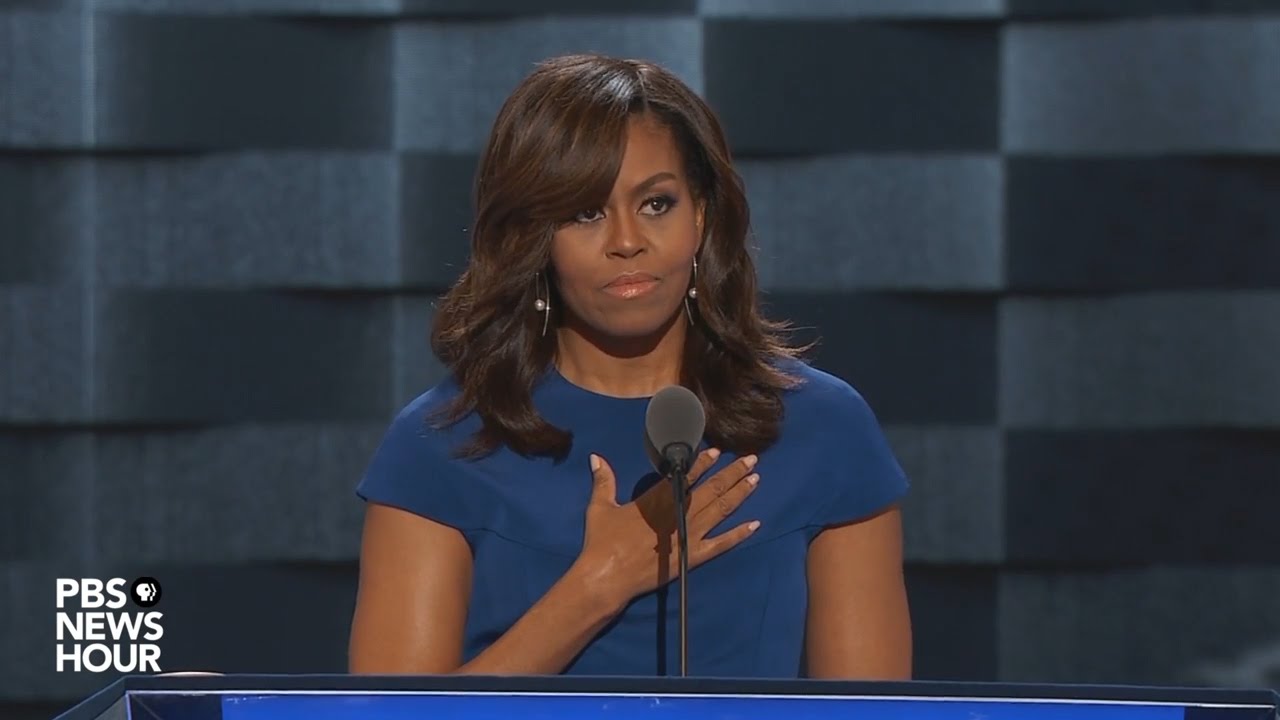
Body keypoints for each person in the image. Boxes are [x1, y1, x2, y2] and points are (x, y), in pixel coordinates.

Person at [347, 53, 912, 679]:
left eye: (656, 204)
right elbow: (387, 714)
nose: (626, 240)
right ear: (533, 238)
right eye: (585, 213)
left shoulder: (822, 427)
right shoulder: (442, 444)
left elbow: (873, 709)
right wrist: (597, 586)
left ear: (700, 215)